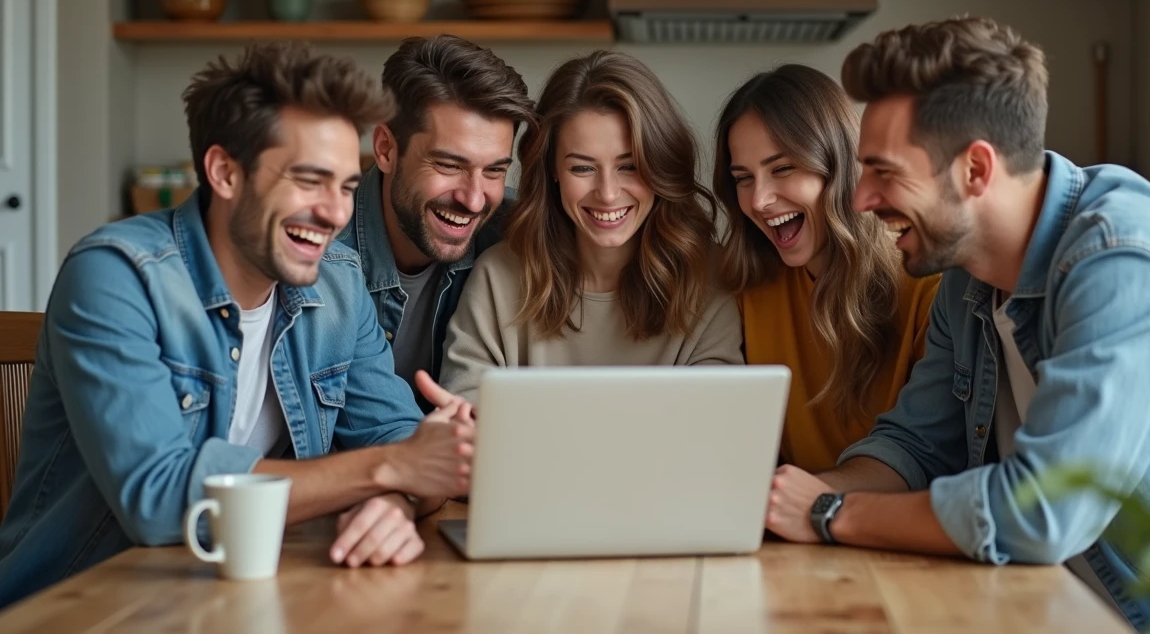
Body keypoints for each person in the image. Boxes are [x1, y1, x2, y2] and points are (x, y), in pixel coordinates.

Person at [0, 43, 474, 608]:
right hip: (81, 610)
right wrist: (394, 469)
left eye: (347, 186)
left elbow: (402, 441)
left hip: (252, 602)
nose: (335, 213)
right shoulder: (115, 276)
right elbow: (159, 497)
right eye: (307, 180)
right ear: (225, 172)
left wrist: (391, 502)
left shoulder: (339, 286)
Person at [767, 17, 1150, 631]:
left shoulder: (1125, 258)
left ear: (975, 169)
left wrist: (832, 512)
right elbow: (915, 446)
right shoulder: (966, 277)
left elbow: (1044, 511)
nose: (860, 198)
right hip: (1045, 605)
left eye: (883, 171)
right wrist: (789, 499)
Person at [439, 51, 744, 401]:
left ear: (660, 167)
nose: (608, 194)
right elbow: (464, 428)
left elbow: (715, 430)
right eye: (582, 168)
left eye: (629, 166)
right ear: (552, 170)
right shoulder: (498, 277)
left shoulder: (711, 278)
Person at [712, 65, 940, 487]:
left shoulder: (927, 282)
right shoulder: (745, 288)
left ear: (840, 164)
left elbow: (928, 453)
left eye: (782, 169)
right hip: (788, 530)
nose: (759, 200)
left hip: (889, 531)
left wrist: (815, 497)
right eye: (743, 178)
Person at [336, 35, 534, 411]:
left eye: (494, 171)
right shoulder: (320, 250)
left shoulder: (518, 233)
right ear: (386, 149)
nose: (474, 199)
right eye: (449, 165)